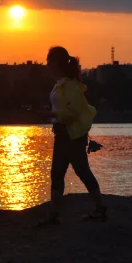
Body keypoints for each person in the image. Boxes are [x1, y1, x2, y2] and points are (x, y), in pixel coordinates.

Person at [37, 46, 106, 225]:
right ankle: (54, 215)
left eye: (48, 61)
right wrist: (51, 115)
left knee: (82, 171)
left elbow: (73, 112)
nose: (47, 65)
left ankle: (100, 208)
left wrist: (51, 115)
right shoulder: (60, 83)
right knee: (57, 173)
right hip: (61, 134)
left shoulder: (70, 85)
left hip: (72, 136)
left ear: (56, 62)